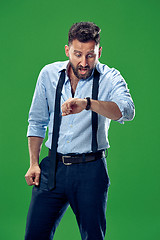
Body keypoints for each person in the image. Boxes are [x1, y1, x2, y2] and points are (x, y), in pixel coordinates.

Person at [24, 21, 135, 240]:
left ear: (99, 52)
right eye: (77, 54)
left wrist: (88, 104)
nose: (83, 62)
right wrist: (34, 163)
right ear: (67, 50)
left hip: (91, 170)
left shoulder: (110, 77)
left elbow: (127, 111)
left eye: (90, 55)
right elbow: (37, 121)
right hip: (52, 168)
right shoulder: (48, 74)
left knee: (93, 236)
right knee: (34, 235)